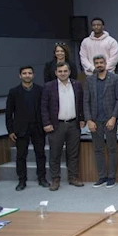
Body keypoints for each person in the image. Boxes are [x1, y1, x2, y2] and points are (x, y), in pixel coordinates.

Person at [41, 61, 85, 191]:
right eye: (60, 71)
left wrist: (82, 119)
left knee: (73, 154)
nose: (63, 73)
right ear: (56, 73)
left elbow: (81, 103)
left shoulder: (77, 85)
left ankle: (73, 177)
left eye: (65, 71)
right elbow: (43, 107)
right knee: (55, 154)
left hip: (73, 124)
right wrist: (46, 123)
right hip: (56, 125)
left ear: (69, 72)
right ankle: (55, 179)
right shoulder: (49, 87)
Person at [83, 55, 118, 189]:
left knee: (112, 149)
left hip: (109, 119)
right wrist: (89, 120)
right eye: (97, 63)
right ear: (94, 65)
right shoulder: (89, 80)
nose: (99, 64)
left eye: (101, 62)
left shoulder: (115, 78)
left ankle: (111, 177)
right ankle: (102, 176)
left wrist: (114, 117)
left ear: (106, 63)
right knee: (98, 149)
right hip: (95, 120)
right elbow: (86, 101)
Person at [6, 66, 47, 191]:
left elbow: (45, 109)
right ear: (20, 76)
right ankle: (22, 181)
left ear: (33, 75)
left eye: (29, 73)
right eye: (24, 73)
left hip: (38, 127)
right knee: (21, 156)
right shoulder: (14, 92)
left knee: (40, 154)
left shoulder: (40, 90)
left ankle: (42, 178)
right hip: (21, 129)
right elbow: (9, 113)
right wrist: (10, 130)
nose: (27, 75)